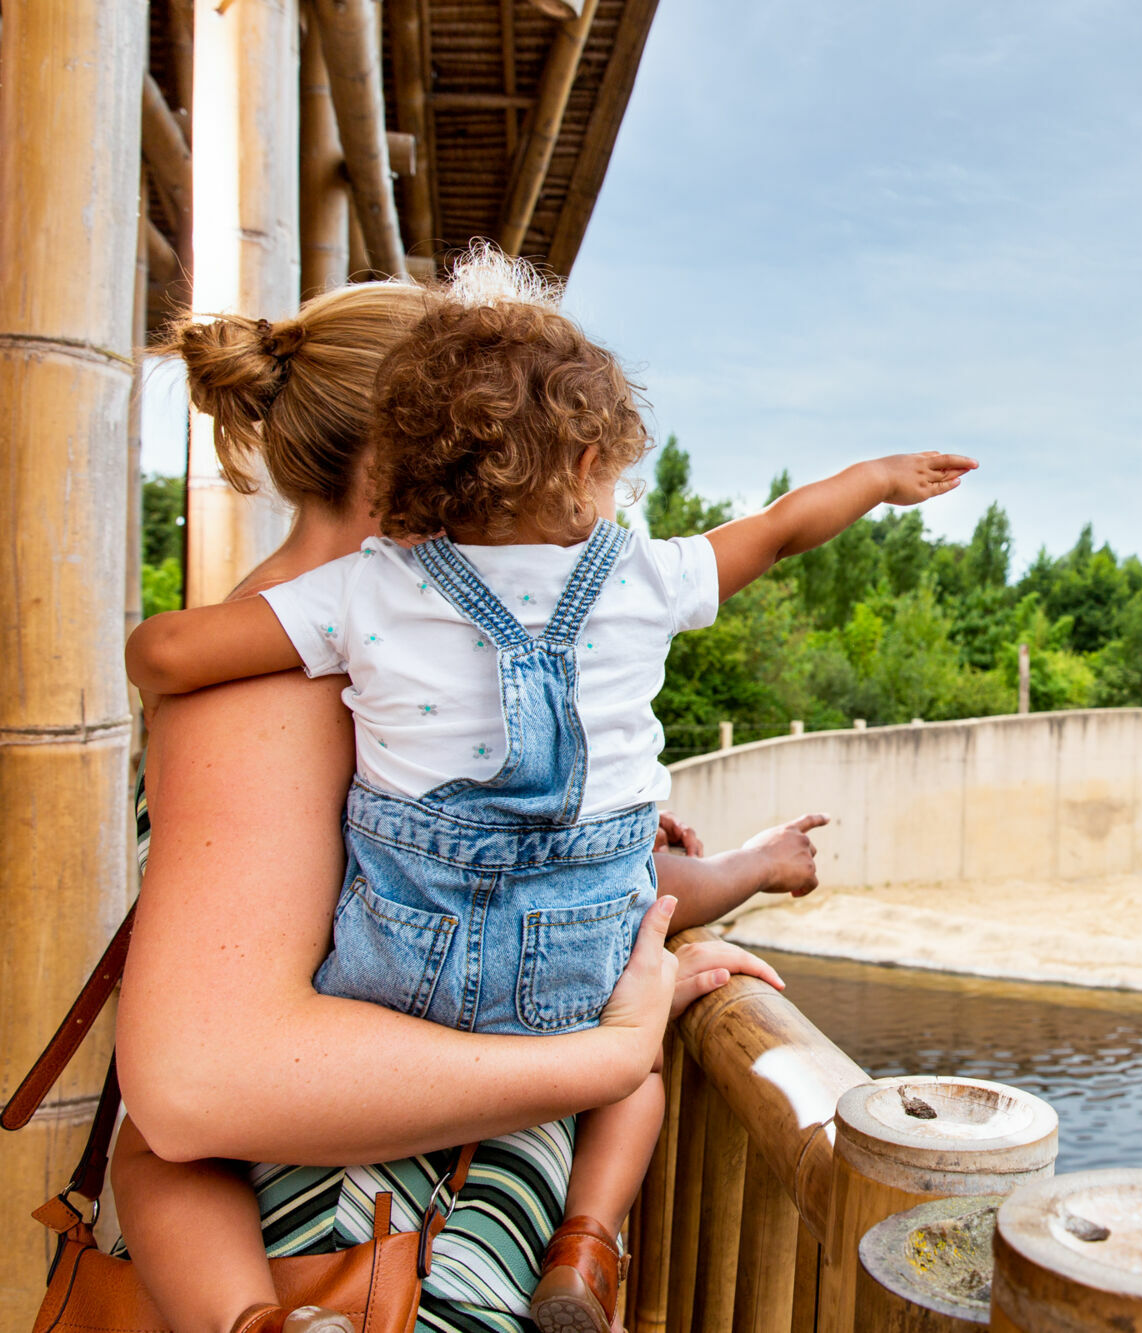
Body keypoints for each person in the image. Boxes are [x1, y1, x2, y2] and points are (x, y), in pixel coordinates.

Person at [121, 271, 978, 1333]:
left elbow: (439, 880)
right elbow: (195, 1086)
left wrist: (649, 913)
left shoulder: (370, 642)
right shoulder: (274, 682)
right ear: (415, 453)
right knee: (144, 1153)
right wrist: (606, 1042)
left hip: (434, 1208)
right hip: (380, 1256)